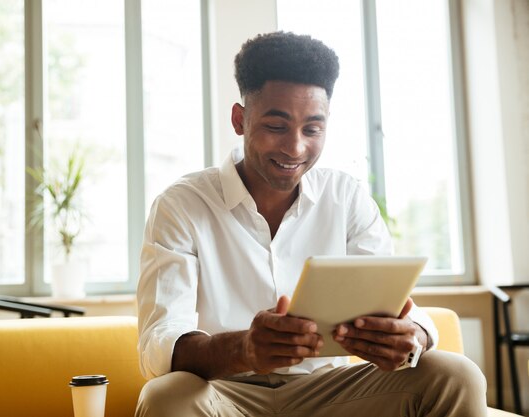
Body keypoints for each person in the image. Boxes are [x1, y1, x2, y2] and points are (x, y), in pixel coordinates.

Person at [135, 31, 487, 416]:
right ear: (240, 119)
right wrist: (245, 349)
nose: (296, 148)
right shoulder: (182, 204)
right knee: (165, 397)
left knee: (457, 375)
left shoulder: (346, 196)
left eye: (313, 129)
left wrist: (414, 333)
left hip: (330, 393)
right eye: (276, 126)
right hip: (223, 394)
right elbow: (160, 344)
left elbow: (398, 306)